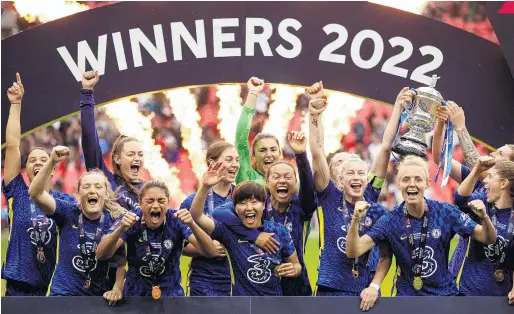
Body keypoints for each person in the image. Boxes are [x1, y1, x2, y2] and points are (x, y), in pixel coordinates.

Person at [308, 82, 404, 308]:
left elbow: (386, 147)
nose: (357, 177)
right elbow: (316, 152)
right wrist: (314, 116)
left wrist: (398, 108)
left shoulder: (371, 198)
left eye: (361, 173)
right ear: (340, 180)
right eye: (349, 173)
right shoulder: (330, 196)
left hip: (364, 290)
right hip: (330, 288)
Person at [346, 155, 498, 296]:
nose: (412, 184)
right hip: (407, 300)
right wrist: (355, 219)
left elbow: (488, 238)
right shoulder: (389, 220)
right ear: (398, 183)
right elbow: (354, 251)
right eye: (406, 179)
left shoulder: (445, 212)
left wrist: (484, 217)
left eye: (418, 179)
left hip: (444, 298)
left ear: (427, 183)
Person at [211, 130, 317, 296]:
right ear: (266, 181)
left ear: (295, 182)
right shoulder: (257, 205)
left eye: (288, 177)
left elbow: (310, 189)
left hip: (297, 287)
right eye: (276, 177)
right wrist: (254, 236)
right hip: (261, 289)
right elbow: (219, 212)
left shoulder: (300, 207)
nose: (282, 180)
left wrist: (301, 154)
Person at [1, 73, 76, 296]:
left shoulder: (63, 201)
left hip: (49, 286)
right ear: (25, 169)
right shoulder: (18, 192)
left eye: (44, 161)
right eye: (32, 160)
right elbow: (13, 145)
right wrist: (16, 104)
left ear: (53, 170)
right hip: (17, 284)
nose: (38, 163)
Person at [28, 146, 125, 301]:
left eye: (98, 186)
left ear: (106, 194)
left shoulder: (115, 220)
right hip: (63, 296)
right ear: (79, 194)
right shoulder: (68, 212)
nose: (92, 190)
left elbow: (120, 261)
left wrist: (117, 288)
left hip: (98, 299)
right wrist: (52, 160)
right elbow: (35, 193)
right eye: (86, 186)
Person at [191, 168, 302, 296]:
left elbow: (296, 264)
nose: (249, 208)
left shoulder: (279, 231)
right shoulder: (228, 232)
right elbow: (197, 215)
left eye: (254, 202)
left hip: (273, 305)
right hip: (242, 306)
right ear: (235, 208)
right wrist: (205, 187)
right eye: (242, 203)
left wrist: (294, 269)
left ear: (264, 205)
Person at [96, 181, 217, 298]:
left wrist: (192, 224)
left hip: (171, 297)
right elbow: (101, 254)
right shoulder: (132, 218)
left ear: (168, 202)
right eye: (149, 201)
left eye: (161, 201)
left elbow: (210, 252)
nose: (155, 205)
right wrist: (121, 228)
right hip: (136, 297)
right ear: (140, 203)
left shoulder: (176, 219)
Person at [433, 102, 514, 277]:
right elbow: (440, 156)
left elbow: (477, 164)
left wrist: (461, 128)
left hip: (500, 284)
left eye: (500, 154)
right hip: (467, 281)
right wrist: (440, 123)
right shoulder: (477, 182)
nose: (492, 154)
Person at [179, 141, 240, 296]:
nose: (235, 165)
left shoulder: (243, 199)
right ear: (212, 163)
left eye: (237, 160)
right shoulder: (192, 202)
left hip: (239, 281)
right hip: (204, 282)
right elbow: (181, 245)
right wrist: (206, 249)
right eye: (229, 159)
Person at [80, 70, 144, 212]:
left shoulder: (149, 191)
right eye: (131, 154)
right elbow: (89, 139)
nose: (137, 158)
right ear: (117, 158)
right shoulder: (105, 181)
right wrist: (87, 93)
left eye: (140, 154)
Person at [452, 157, 514, 302]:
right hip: (468, 292)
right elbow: (460, 199)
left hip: (502, 297)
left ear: (504, 183)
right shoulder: (482, 202)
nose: (485, 181)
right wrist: (476, 171)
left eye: (490, 176)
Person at [235, 77, 281, 186]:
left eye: (273, 149)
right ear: (253, 156)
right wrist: (253, 93)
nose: (269, 154)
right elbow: (240, 139)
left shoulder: (289, 181)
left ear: (279, 153)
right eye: (262, 150)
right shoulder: (247, 177)